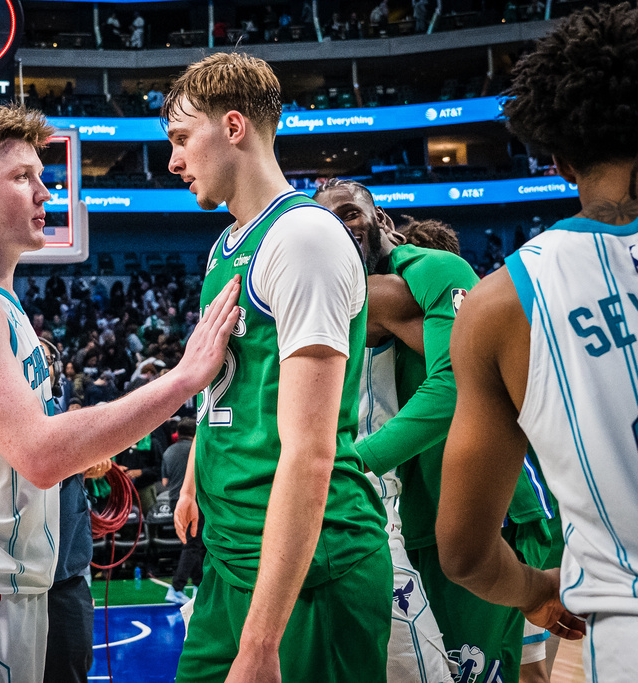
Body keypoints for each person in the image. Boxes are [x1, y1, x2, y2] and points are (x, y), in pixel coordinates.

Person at [0, 102, 239, 683]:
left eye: (40, 177)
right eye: (23, 177)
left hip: (2, 594)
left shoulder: (0, 304)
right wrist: (183, 379)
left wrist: (84, 449)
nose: (45, 192)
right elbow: (39, 453)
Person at [163, 53, 390, 682]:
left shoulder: (303, 238)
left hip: (307, 578)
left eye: (182, 138)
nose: (174, 161)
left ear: (234, 127)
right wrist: (196, 476)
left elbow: (310, 452)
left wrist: (262, 642)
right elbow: (227, 381)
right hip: (233, 558)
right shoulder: (227, 242)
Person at [437, 3, 637, 679]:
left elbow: (464, 552)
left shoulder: (498, 306)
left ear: (557, 161)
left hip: (617, 633)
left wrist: (534, 590)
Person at [316, 182, 556, 682]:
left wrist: (352, 464)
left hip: (485, 507)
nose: (339, 226)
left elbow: (455, 386)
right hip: (417, 509)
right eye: (327, 221)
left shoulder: (430, 269)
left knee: (480, 669)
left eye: (350, 212)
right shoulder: (355, 288)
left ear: (383, 220)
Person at [40, 339, 112, 683]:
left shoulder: (64, 420)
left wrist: (91, 462)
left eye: (45, 359)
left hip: (66, 577)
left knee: (71, 667)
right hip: (16, 583)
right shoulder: (4, 416)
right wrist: (82, 460)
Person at [162, 417, 200, 605]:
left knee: (193, 544)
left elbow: (164, 482)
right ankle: (176, 588)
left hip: (174, 502)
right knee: (192, 545)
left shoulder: (168, 451)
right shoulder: (196, 449)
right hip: (193, 501)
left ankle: (199, 585)